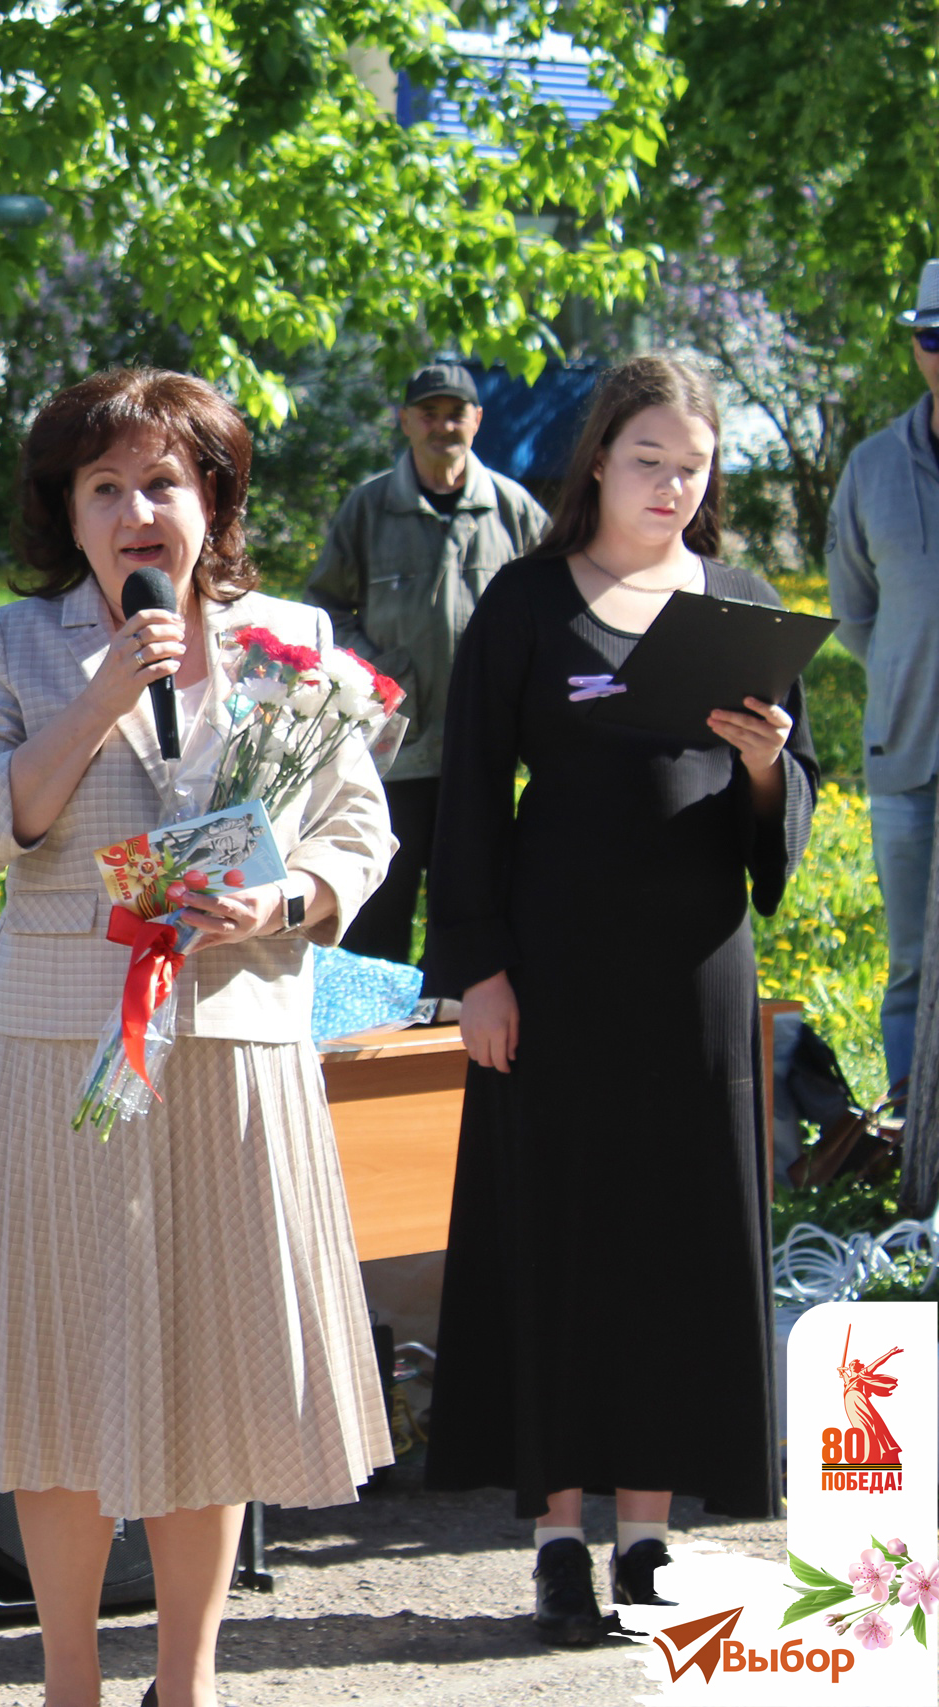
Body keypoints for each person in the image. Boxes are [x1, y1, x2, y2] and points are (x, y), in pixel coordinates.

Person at [0, 369, 395, 1707]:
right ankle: (70, 1680)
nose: (139, 510)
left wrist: (289, 896)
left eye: (165, 483)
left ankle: (184, 1682)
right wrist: (95, 700)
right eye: (106, 486)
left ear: (214, 501)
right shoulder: (17, 647)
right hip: (71, 1046)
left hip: (234, 1039)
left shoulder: (292, 643)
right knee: (65, 1367)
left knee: (213, 1367)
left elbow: (358, 830)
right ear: (67, 512)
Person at [423, 356, 813, 1643]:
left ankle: (647, 1538)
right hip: (554, 967)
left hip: (694, 973)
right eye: (649, 459)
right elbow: (469, 796)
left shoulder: (740, 604)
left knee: (671, 1239)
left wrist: (765, 771)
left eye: (693, 465)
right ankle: (553, 1538)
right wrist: (475, 968)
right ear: (598, 460)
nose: (671, 484)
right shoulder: (528, 604)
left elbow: (781, 815)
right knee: (559, 1235)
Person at [305, 360, 548, 967]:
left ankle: (455, 1046)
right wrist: (379, 674)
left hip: (484, 753)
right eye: (429, 414)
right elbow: (323, 609)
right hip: (393, 758)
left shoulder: (514, 511)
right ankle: (370, 1050)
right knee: (376, 917)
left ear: (478, 420)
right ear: (406, 421)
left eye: (455, 414)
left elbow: (556, 608)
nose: (443, 427)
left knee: (468, 916)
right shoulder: (369, 508)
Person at [828, 258, 939, 1094]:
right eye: (933, 337)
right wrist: (911, 673)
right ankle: (912, 1140)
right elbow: (855, 613)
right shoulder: (872, 466)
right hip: (906, 758)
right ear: (915, 347)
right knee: (910, 965)